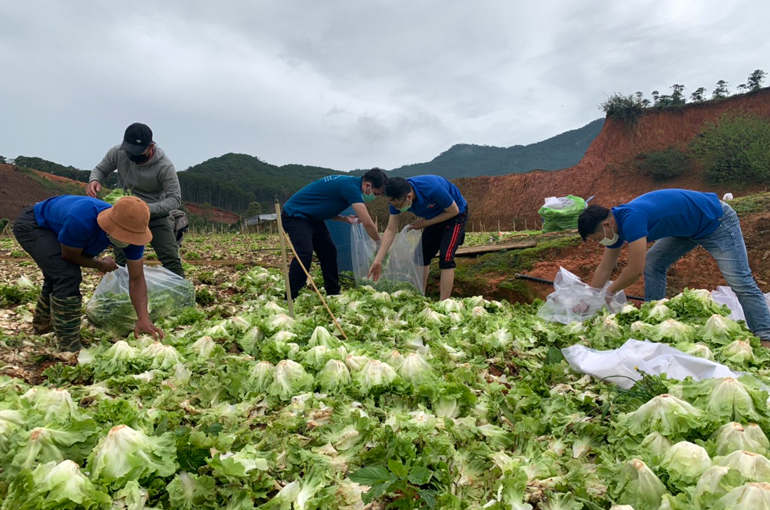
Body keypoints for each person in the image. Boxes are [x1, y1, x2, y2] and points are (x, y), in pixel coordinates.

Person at [578, 188, 770, 345]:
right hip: (687, 229)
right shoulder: (614, 229)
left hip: (716, 221)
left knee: (740, 281)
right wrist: (588, 298)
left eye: (597, 238)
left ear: (606, 225)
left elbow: (635, 269)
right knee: (654, 262)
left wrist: (610, 291)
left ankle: (765, 336)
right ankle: (656, 319)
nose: (600, 243)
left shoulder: (632, 219)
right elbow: (604, 269)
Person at [13, 195, 164, 352]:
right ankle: (69, 346)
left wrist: (143, 318)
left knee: (57, 275)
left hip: (61, 228)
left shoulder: (134, 233)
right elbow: (70, 255)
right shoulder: (82, 219)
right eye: (123, 234)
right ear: (110, 224)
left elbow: (136, 277)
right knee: (66, 274)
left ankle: (43, 326)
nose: (127, 239)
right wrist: (100, 264)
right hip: (35, 224)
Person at [87, 122, 185, 277]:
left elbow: (175, 199)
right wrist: (95, 180)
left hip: (154, 216)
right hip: (124, 216)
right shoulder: (118, 152)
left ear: (150, 146)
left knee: (170, 257)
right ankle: (122, 295)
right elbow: (100, 169)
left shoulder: (164, 167)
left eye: (138, 152)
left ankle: (181, 296)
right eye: (130, 151)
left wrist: (146, 208)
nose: (133, 156)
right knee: (121, 261)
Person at [281, 168, 387, 299]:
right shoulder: (351, 187)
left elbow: (323, 205)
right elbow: (368, 223)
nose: (374, 197)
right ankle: (290, 296)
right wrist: (378, 242)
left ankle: (333, 292)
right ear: (368, 186)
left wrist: (343, 218)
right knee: (304, 253)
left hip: (313, 218)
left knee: (329, 251)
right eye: (376, 194)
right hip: (295, 215)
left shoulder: (350, 185)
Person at [369, 176, 468, 300]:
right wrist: (378, 260)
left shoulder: (432, 188)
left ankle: (444, 304)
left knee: (446, 256)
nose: (397, 208)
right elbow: (390, 229)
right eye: (393, 205)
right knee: (420, 256)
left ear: (409, 197)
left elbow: (453, 211)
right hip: (434, 217)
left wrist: (425, 223)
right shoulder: (395, 199)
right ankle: (421, 295)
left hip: (456, 215)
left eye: (398, 205)